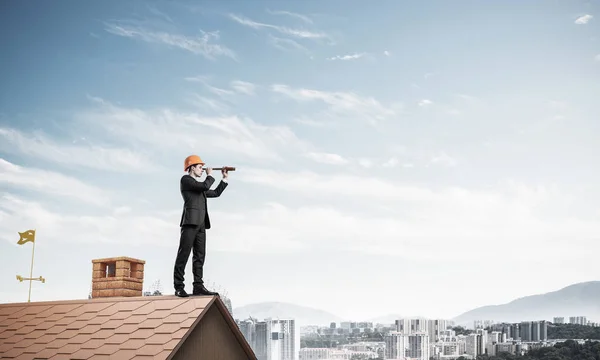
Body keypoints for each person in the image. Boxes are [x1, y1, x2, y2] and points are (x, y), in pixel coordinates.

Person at [173, 154, 230, 297]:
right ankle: (179, 286)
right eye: (200, 167)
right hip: (190, 223)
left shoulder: (199, 188)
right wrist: (210, 175)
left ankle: (198, 286)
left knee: (199, 256)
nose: (202, 170)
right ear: (192, 168)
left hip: (201, 225)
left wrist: (224, 178)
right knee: (183, 254)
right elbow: (205, 185)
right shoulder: (186, 180)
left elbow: (215, 193)